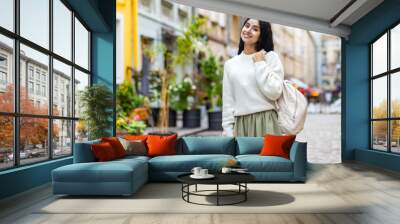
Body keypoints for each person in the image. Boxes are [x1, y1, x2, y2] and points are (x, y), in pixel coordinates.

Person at [222, 18, 284, 137]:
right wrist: (228, 131)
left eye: (255, 29)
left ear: (262, 36)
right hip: (241, 125)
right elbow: (228, 101)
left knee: (268, 156)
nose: (248, 30)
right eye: (247, 26)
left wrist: (260, 63)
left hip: (266, 122)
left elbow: (275, 92)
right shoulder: (230, 64)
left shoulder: (270, 58)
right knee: (241, 156)